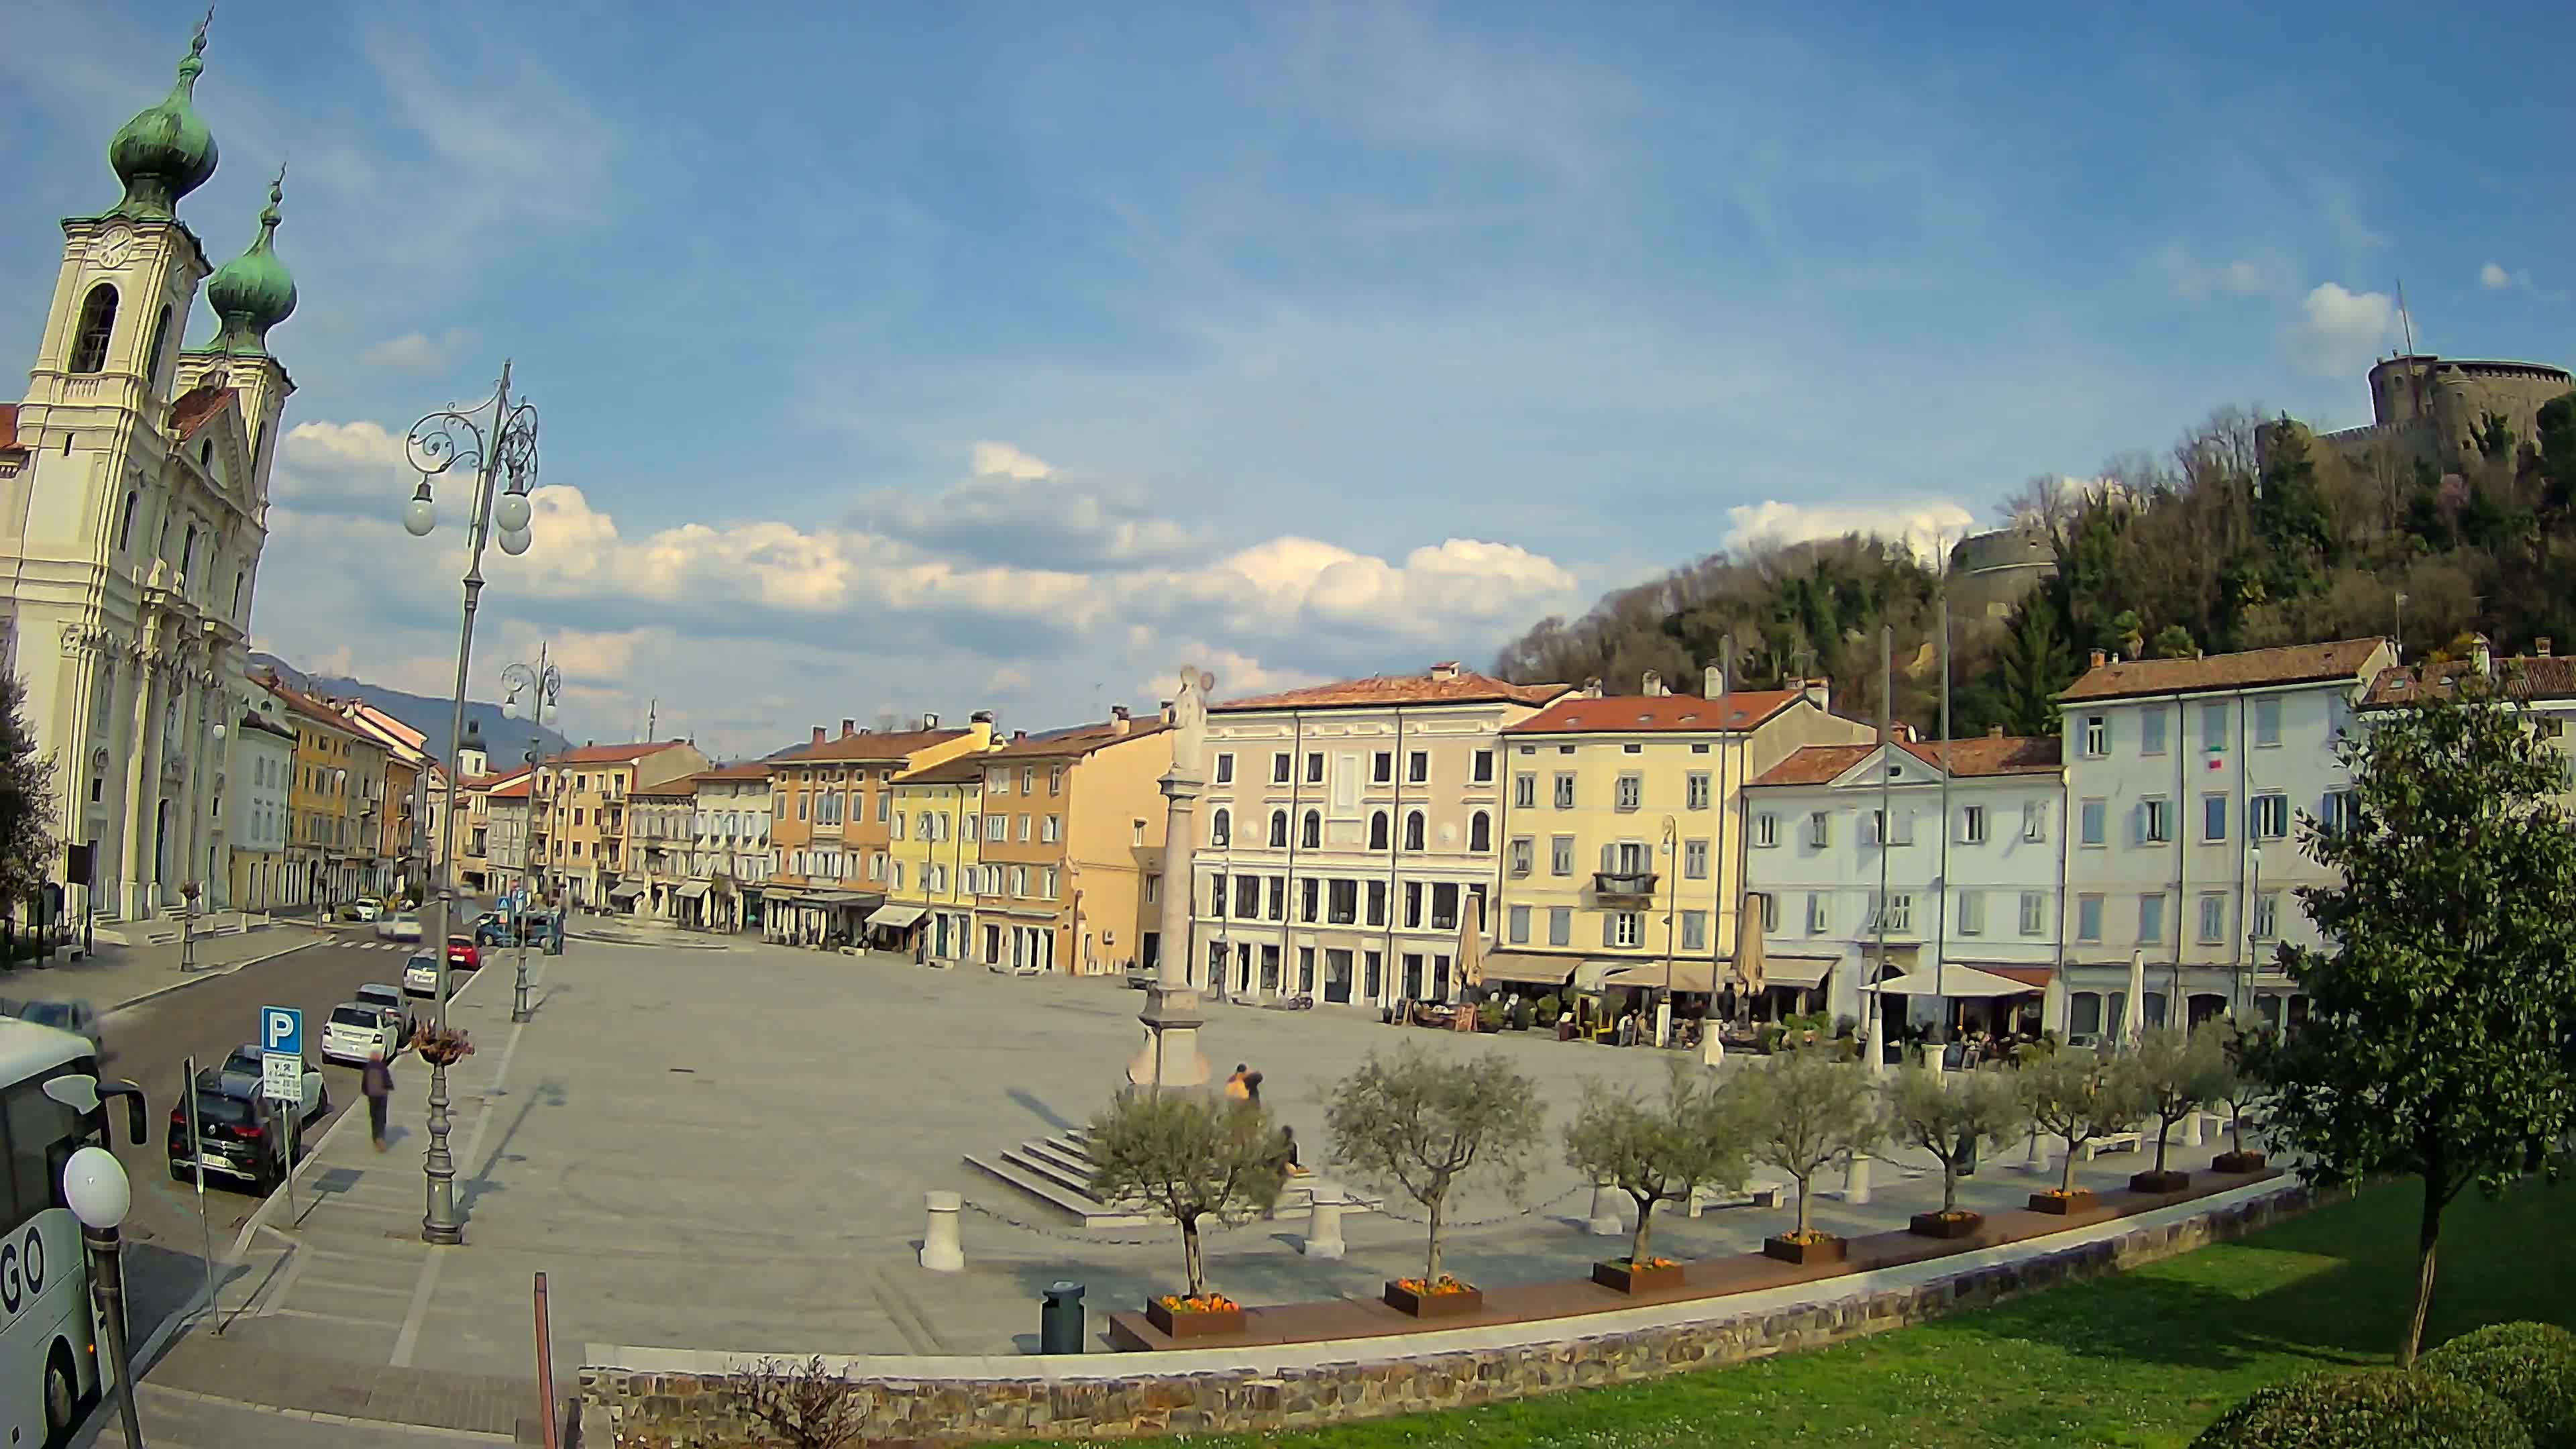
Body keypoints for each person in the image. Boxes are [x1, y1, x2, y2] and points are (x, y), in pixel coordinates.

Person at [363, 1047, 395, 1152]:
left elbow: (365, 1082)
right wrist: (390, 1087)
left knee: (374, 1117)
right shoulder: (382, 1067)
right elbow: (387, 1080)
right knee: (381, 1117)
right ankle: (380, 1138)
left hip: (372, 1096)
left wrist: (366, 1092)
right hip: (381, 1096)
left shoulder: (368, 1067)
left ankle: (375, 1137)